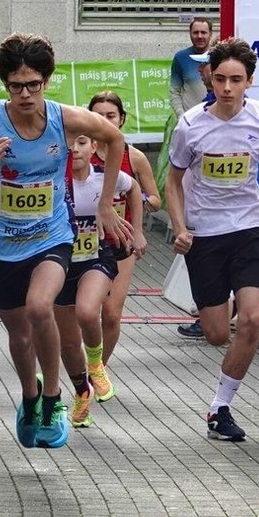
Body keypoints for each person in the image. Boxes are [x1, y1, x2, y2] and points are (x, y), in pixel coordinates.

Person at [0, 34, 130, 450]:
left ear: (46, 81)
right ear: (4, 85)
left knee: (40, 306)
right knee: (18, 333)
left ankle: (53, 399)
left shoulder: (64, 118)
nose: (25, 94)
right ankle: (30, 396)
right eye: (16, 86)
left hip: (51, 236)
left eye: (33, 84)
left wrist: (105, 205)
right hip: (0, 243)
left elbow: (116, 139)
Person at [165, 38, 259, 442]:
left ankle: (220, 407)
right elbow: (173, 181)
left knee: (251, 319)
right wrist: (179, 226)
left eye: (236, 80)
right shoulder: (191, 125)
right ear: (210, 78)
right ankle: (221, 306)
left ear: (250, 82)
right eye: (221, 79)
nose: (227, 88)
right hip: (206, 235)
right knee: (216, 334)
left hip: (249, 230)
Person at [56, 132, 142, 427]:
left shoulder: (107, 177)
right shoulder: (55, 180)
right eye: (69, 143)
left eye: (82, 143)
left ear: (94, 147)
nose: (75, 149)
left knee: (88, 311)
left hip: (96, 257)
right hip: (60, 263)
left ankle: (96, 364)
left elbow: (134, 190)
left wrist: (139, 231)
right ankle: (82, 394)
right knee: (67, 344)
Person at [85, 91, 162, 398]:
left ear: (122, 119)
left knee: (112, 314)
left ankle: (96, 374)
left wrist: (135, 199)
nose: (104, 121)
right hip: (85, 243)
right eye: (98, 115)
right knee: (85, 312)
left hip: (120, 241)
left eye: (111, 116)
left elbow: (156, 198)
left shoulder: (135, 157)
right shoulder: (79, 152)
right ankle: (87, 364)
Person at [169, 17, 214, 118]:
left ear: (210, 34)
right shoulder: (180, 57)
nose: (199, 36)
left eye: (203, 32)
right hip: (191, 120)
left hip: (215, 118)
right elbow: (174, 91)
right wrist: (182, 116)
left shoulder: (219, 56)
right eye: (195, 32)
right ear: (190, 34)